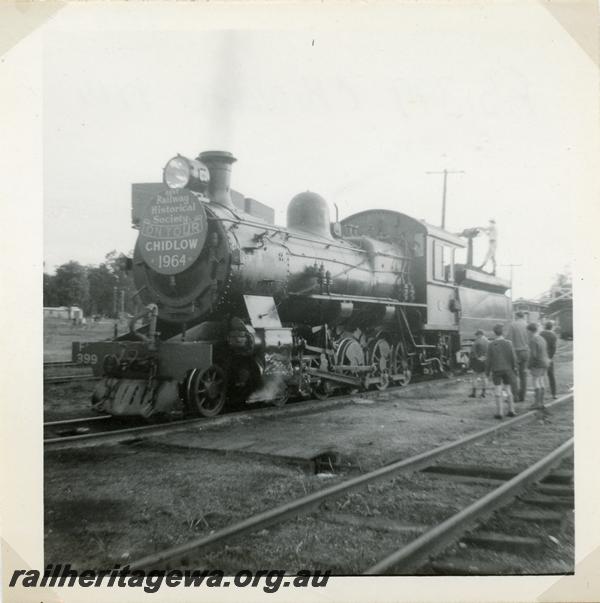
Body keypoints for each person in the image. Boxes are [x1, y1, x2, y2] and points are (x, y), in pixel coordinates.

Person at [485, 323, 517, 419]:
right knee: (508, 389)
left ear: (494, 333)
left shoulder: (491, 344)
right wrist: (514, 369)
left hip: (497, 370)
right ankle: (511, 410)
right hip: (508, 370)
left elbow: (488, 360)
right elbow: (513, 358)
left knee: (498, 390)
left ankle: (499, 413)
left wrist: (487, 373)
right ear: (503, 332)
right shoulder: (509, 343)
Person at [505, 311, 530, 402]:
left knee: (513, 375)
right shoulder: (527, 325)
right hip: (526, 352)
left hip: (516, 352)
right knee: (523, 375)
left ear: (516, 316)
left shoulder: (513, 325)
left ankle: (515, 397)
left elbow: (509, 339)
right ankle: (522, 396)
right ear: (523, 316)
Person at [527, 322, 550, 409]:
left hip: (537, 363)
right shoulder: (542, 338)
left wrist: (529, 365)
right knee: (541, 381)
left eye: (528, 331)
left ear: (530, 331)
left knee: (536, 381)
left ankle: (537, 403)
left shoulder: (533, 340)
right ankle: (541, 402)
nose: (527, 333)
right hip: (544, 362)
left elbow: (533, 355)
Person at [468, 329, 489, 398]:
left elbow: (473, 352)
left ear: (479, 334)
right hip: (485, 361)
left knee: (475, 377)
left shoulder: (476, 341)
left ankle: (474, 393)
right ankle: (484, 393)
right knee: (484, 377)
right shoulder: (488, 341)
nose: (476, 336)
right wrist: (485, 358)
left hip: (478, 361)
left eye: (477, 335)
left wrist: (476, 358)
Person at [540, 321, 558, 399]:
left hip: (541, 357)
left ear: (545, 326)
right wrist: (550, 357)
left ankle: (541, 395)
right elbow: (554, 348)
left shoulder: (541, 334)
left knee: (541, 377)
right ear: (551, 327)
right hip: (549, 358)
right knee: (551, 376)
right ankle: (554, 394)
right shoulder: (553, 335)